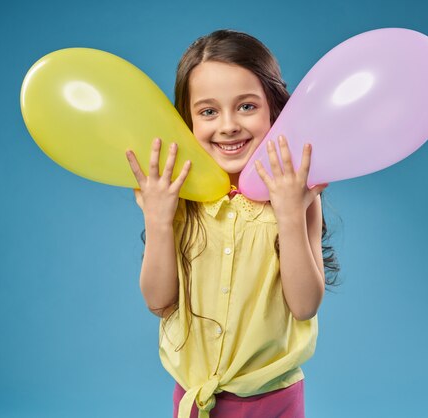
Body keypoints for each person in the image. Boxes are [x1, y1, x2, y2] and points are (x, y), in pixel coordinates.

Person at [125, 29, 338, 418]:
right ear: (186, 122)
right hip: (195, 400)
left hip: (274, 402)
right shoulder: (180, 198)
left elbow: (305, 305)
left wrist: (290, 214)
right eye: (208, 111)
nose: (228, 126)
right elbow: (158, 302)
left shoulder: (298, 193)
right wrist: (157, 219)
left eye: (246, 106)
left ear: (274, 108)